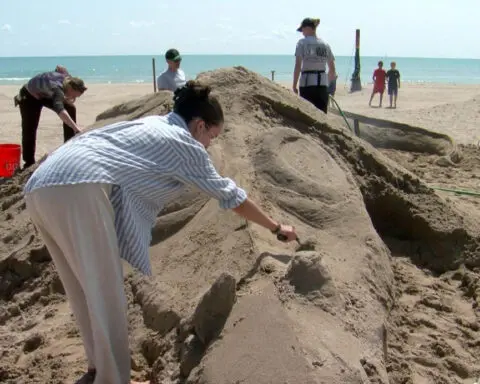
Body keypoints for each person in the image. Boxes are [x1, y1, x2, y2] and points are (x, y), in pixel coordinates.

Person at [23, 80, 298, 384]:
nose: (210, 145)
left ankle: (97, 368)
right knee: (105, 288)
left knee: (81, 286)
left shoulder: (153, 124)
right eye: (212, 136)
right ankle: (112, 378)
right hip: (79, 186)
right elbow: (230, 195)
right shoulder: (185, 143)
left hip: (42, 183)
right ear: (199, 125)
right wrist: (276, 227)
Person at [14, 66, 87, 169]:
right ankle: (28, 163)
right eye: (74, 96)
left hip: (44, 94)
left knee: (70, 108)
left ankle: (69, 150)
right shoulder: (58, 90)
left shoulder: (68, 79)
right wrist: (76, 128)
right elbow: (61, 112)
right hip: (29, 96)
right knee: (29, 129)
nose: (73, 98)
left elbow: (60, 68)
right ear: (70, 88)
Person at [292, 17, 336, 114]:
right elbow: (332, 70)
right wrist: (328, 86)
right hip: (322, 86)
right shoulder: (325, 44)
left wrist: (294, 85)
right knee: (322, 116)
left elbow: (298, 65)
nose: (302, 33)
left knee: (308, 115)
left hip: (307, 84)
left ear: (308, 28)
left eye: (302, 30)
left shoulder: (302, 43)